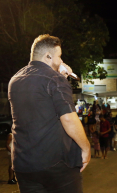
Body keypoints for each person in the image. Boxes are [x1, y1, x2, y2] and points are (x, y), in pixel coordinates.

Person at [8, 34, 90, 192]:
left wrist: (61, 76)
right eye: (59, 56)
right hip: (56, 164)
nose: (61, 61)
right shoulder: (55, 80)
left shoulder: (15, 80)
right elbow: (69, 119)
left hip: (24, 164)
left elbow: (41, 106)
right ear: (48, 56)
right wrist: (85, 148)